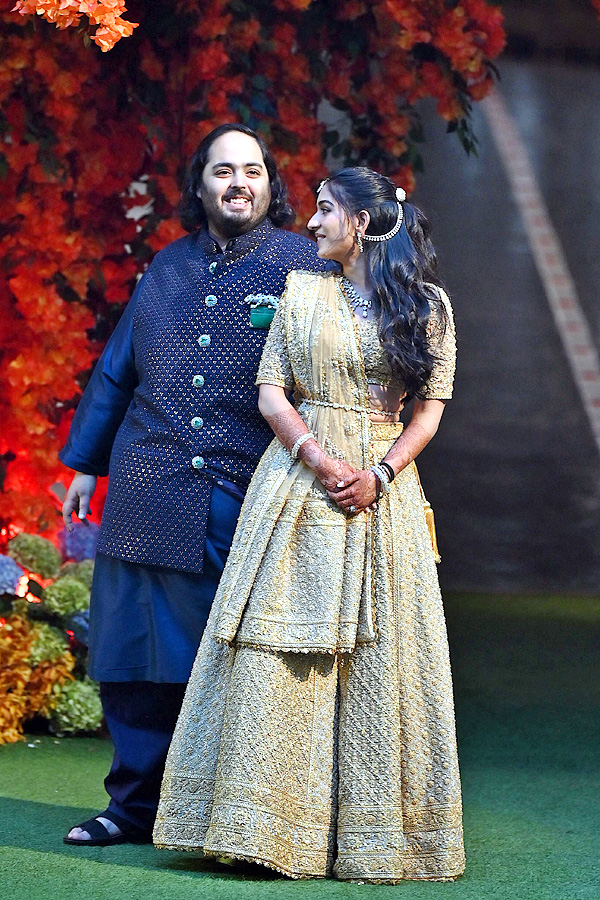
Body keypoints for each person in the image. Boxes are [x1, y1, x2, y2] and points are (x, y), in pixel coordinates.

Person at [154, 167, 465, 882]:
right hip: (295, 486)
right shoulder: (301, 291)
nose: (313, 222)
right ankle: (261, 829)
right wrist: (319, 459)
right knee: (273, 649)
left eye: (326, 210)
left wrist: (380, 473)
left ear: (362, 224)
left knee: (383, 661)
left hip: (382, 499)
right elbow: (272, 393)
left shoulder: (428, 307)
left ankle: (374, 838)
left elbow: (429, 410)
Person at [59, 124, 329, 846]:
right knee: (132, 655)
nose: (238, 183)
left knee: (228, 659)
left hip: (243, 492)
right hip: (147, 484)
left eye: (252, 171)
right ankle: (132, 809)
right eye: (222, 171)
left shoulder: (305, 267)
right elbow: (118, 368)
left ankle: (223, 813)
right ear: (199, 186)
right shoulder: (167, 266)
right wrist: (86, 463)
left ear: (270, 184)